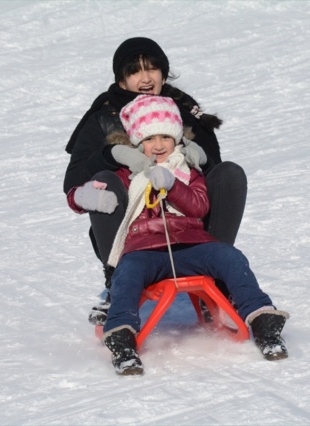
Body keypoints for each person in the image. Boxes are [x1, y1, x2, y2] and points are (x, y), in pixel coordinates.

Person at [68, 95, 289, 375]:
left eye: (165, 137)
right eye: (149, 139)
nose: (158, 145)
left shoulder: (187, 170)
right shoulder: (128, 173)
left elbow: (200, 205)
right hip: (144, 249)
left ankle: (261, 318)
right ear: (137, 143)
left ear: (177, 139)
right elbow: (85, 194)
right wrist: (82, 196)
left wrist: (173, 185)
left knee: (230, 257)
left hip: (192, 245)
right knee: (127, 273)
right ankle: (121, 334)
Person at [63, 37, 247, 325]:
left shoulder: (183, 110)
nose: (146, 78)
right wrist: (111, 154)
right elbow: (73, 183)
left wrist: (191, 154)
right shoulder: (102, 119)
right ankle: (119, 282)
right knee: (103, 180)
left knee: (230, 173)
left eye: (152, 69)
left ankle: (219, 275)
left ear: (164, 73)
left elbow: (214, 173)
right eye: (135, 71)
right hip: (133, 229)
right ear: (122, 80)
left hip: (189, 221)